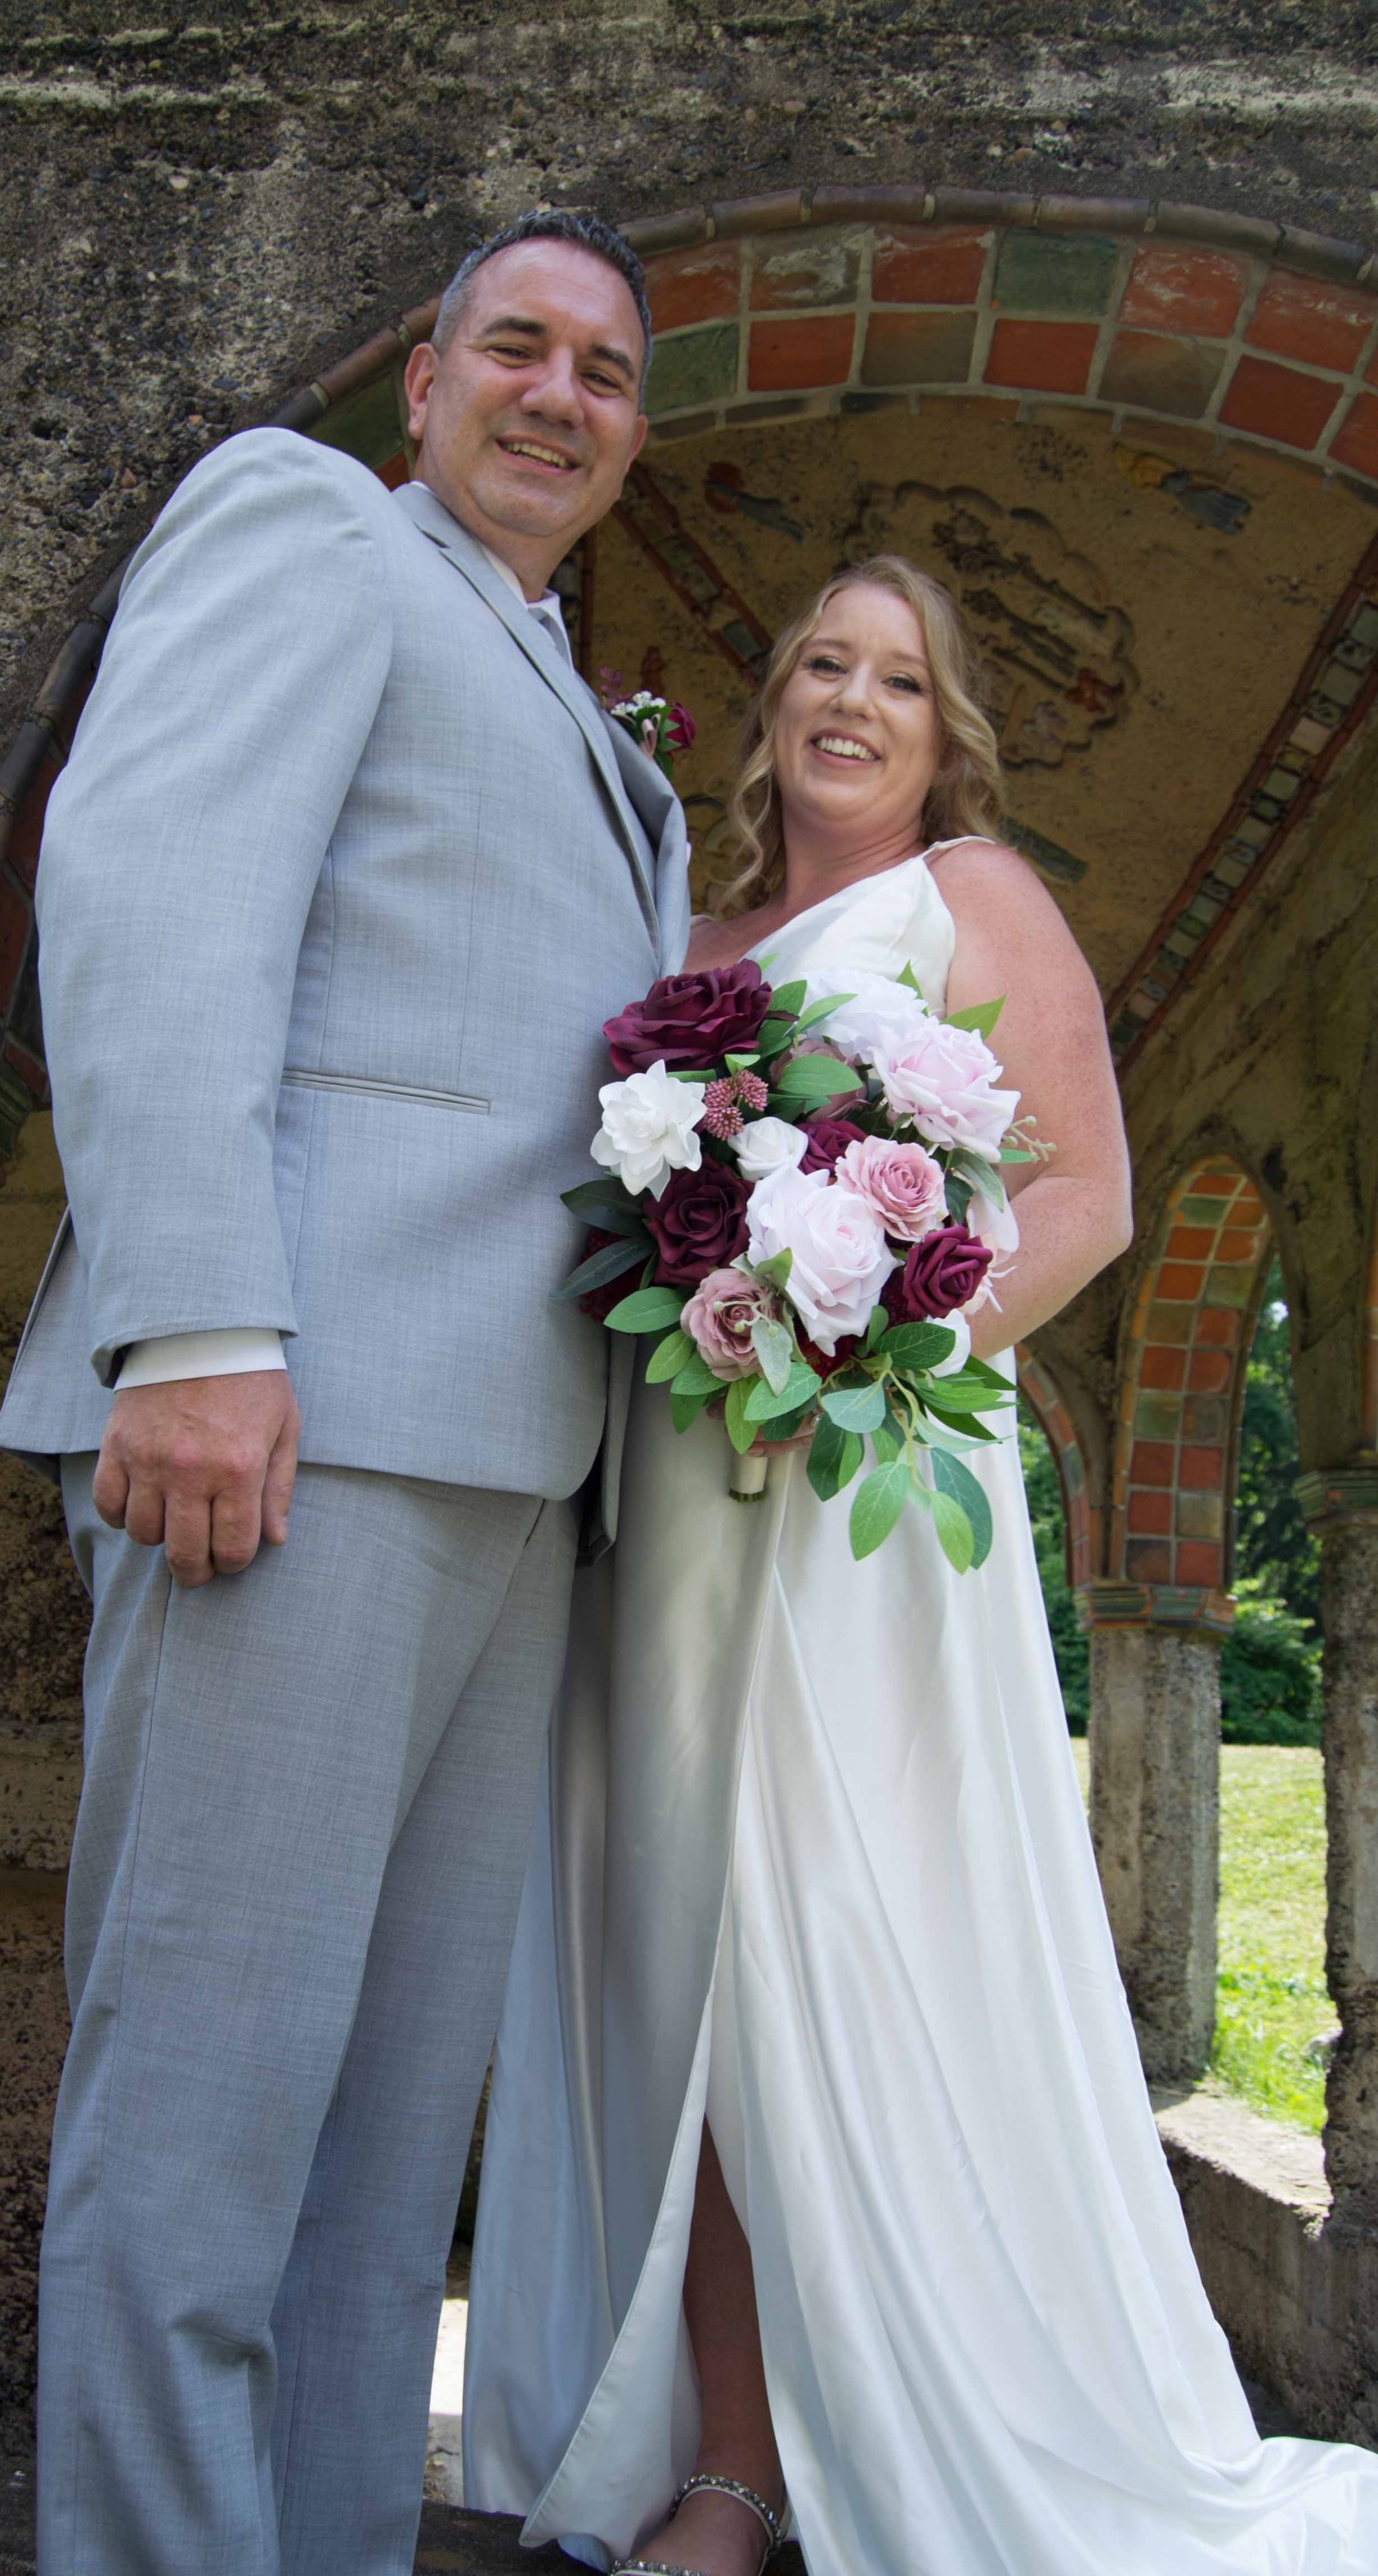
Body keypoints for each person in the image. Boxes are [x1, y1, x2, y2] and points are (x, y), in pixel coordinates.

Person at [463, 557, 1378, 2571]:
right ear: (770, 702)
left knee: (845, 1933)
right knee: (684, 1954)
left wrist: (864, 1350)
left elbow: (1088, 1198)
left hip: (859, 1496)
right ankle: (727, 2444)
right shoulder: (686, 941)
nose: (851, 703)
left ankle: (849, 2434)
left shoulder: (974, 894)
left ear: (943, 730)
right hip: (663, 1491)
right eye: (821, 663)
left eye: (897, 678)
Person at [0, 209, 689, 2576]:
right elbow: (155, 890)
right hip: (296, 1423)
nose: (559, 395)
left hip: (525, 1464)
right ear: (421, 380)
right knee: (204, 2130)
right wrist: (194, 1326)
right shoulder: (307, 528)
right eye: (518, 347)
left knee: (388, 2180)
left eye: (606, 371)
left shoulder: (576, 700)